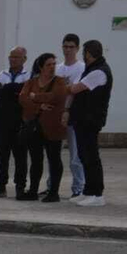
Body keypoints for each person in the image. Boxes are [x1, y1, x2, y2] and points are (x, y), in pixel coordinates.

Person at [63, 39, 112, 206]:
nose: (83, 56)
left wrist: (67, 86)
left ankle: (97, 194)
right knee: (84, 155)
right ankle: (88, 191)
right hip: (82, 119)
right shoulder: (91, 69)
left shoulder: (99, 72)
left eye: (84, 52)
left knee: (91, 156)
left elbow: (76, 88)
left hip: (90, 119)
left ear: (89, 53)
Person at [19, 52, 68, 202]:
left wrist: (36, 97)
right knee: (36, 159)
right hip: (35, 126)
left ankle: (54, 192)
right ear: (41, 67)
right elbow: (23, 98)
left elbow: (56, 96)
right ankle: (33, 190)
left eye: (54, 64)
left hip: (53, 126)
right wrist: (39, 106)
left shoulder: (59, 82)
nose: (52, 67)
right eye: (48, 65)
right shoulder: (32, 82)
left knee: (54, 159)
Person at [0, 46, 29, 198]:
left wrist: (8, 90)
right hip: (2, 122)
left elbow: (23, 93)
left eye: (16, 57)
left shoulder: (28, 75)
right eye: (11, 57)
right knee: (2, 156)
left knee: (20, 157)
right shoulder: (2, 73)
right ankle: (0, 186)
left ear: (24, 59)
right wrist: (13, 90)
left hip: (19, 122)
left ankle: (20, 187)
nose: (13, 60)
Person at [57, 32, 86, 197]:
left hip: (74, 115)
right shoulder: (58, 68)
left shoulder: (81, 68)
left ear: (77, 48)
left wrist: (68, 109)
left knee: (76, 155)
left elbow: (75, 90)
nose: (67, 50)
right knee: (54, 154)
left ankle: (79, 187)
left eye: (71, 47)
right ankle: (52, 185)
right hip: (57, 114)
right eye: (65, 46)